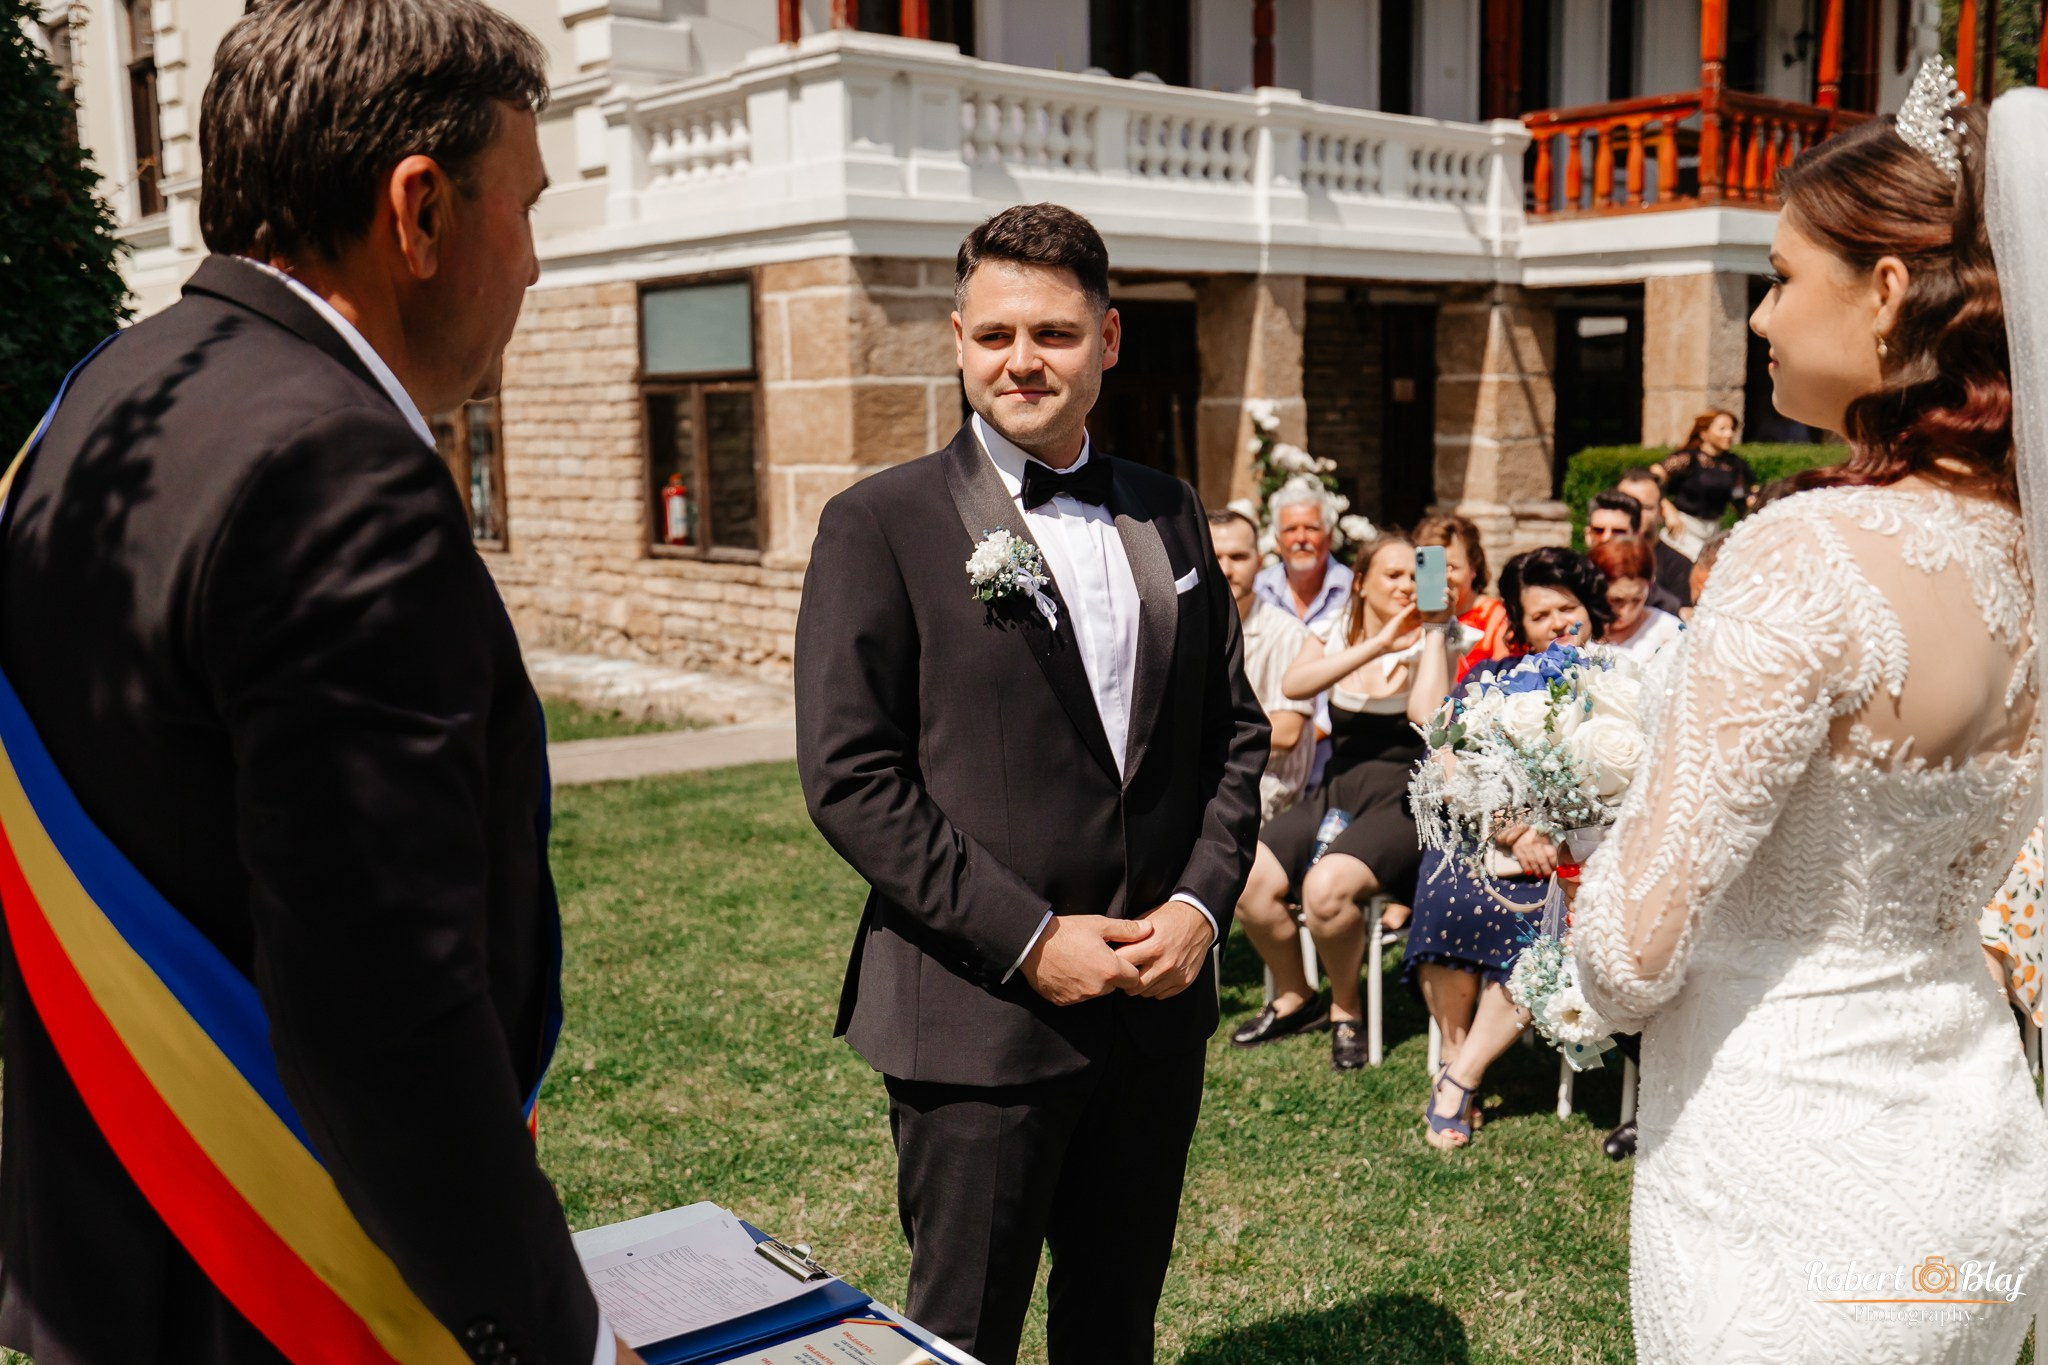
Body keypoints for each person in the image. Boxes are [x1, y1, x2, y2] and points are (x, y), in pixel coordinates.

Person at [0, 4, 638, 1364]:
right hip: (288, 1291)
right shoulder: (335, 470)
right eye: (522, 207)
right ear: (418, 213)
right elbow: (381, 1006)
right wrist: (548, 1330)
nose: (532, 262)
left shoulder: (96, 403)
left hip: (109, 1250)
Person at [1570, 74, 2048, 1362]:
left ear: (1886, 291)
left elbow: (1625, 955)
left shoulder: (1806, 553)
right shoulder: (2029, 554)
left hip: (1782, 1176)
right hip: (1973, 1161)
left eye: (1780, 277)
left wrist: (1592, 823)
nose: (1761, 315)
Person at [794, 203, 1267, 1365]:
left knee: (1115, 1321)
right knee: (961, 1335)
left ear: (1107, 340)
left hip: (1154, 1017)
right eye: (995, 333)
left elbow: (1231, 736)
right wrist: (1029, 937)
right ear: (957, 338)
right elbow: (851, 779)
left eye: (1052, 334)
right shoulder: (879, 524)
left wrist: (1202, 908)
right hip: (979, 1018)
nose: (1022, 361)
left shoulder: (1170, 509)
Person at [1405, 547, 1613, 1148]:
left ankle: (1460, 1080)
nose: (1557, 623)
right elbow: (1445, 752)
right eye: (1540, 613)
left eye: (1567, 607)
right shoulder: (1491, 679)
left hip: (1581, 855)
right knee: (1453, 892)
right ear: (1519, 624)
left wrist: (1559, 836)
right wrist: (1511, 826)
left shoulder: (1618, 682)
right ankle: (1454, 1049)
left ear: (1589, 609)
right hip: (1492, 840)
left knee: (1540, 928)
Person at [1232, 532, 1460, 1069]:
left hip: (1407, 801)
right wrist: (1380, 642)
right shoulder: (1336, 630)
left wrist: (1428, 633)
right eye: (1393, 575)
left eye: (1415, 574)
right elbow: (1295, 683)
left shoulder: (1442, 635)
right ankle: (1295, 996)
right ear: (1361, 583)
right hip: (1338, 788)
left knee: (1327, 889)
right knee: (1247, 873)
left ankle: (1345, 1007)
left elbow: (1430, 717)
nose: (1408, 585)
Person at [1210, 508, 1315, 821]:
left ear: (1260, 561)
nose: (1225, 569)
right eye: (1215, 556)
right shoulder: (1186, 627)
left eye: (1238, 557)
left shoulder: (1286, 633)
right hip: (1206, 780)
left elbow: (1285, 732)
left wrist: (1201, 730)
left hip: (1264, 791)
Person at [1254, 480, 1352, 786]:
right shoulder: (1256, 591)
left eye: (1310, 528)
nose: (1300, 539)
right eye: (1290, 529)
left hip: (1336, 746)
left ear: (1330, 535)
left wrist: (1317, 728)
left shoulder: (1354, 593)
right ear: (1277, 539)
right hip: (1270, 750)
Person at [1412, 512, 1511, 683]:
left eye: (1452, 567)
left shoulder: (1496, 618)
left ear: (1473, 567)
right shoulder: (1411, 616)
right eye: (1435, 567)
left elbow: (1506, 679)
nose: (1444, 576)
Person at [1653, 410, 1755, 558]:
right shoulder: (1688, 458)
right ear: (1704, 433)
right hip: (1684, 529)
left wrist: (1750, 500)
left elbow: (1740, 495)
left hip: (1713, 531)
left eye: (1732, 429)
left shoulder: (1734, 464)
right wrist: (1667, 508)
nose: (1729, 434)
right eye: (1722, 429)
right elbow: (1651, 477)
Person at [1586, 490, 1683, 616]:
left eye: (1618, 532)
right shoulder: (1571, 589)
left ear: (1636, 536)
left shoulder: (1661, 606)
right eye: (1598, 531)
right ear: (1588, 535)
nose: (1606, 538)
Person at [1587, 538, 1683, 662]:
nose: (1625, 611)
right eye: (1616, 600)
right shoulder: (1579, 625)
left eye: (1637, 600)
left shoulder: (1668, 630)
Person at [1617, 465, 1696, 611]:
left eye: (1645, 507)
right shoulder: (1597, 561)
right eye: (1626, 505)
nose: (1635, 513)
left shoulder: (1680, 568)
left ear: (1660, 512)